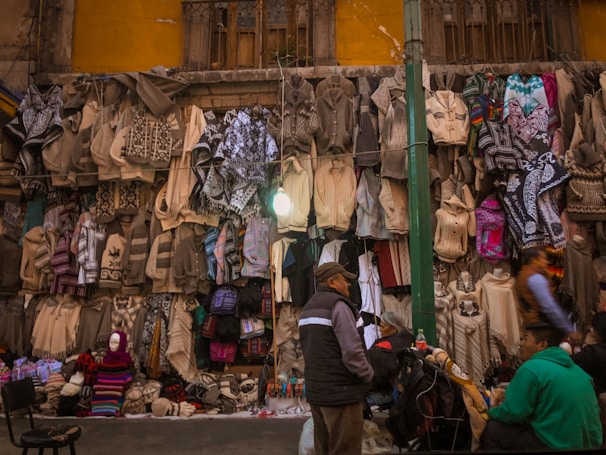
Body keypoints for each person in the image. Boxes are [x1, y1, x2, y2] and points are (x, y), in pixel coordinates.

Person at [481, 322, 603, 450]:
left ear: (542, 345)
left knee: (493, 428)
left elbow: (513, 413)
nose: (521, 344)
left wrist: (491, 411)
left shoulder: (531, 368)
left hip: (557, 446)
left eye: (525, 339)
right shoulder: (579, 371)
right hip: (590, 445)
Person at [299, 262, 374, 455]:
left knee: (323, 448)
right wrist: (368, 376)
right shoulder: (338, 306)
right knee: (345, 448)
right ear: (332, 281)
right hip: (341, 394)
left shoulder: (308, 308)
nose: (348, 285)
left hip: (318, 392)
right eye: (344, 280)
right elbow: (352, 352)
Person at [514, 247, 581, 344]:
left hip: (531, 325)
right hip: (541, 327)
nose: (546, 262)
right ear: (534, 260)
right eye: (543, 258)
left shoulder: (522, 275)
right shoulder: (536, 279)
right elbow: (549, 307)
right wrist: (569, 329)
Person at [367, 311, 413, 409]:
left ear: (393, 328)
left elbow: (378, 374)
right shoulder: (408, 338)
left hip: (385, 392)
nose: (380, 330)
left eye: (383, 327)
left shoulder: (383, 347)